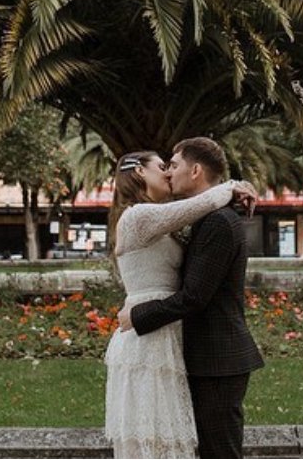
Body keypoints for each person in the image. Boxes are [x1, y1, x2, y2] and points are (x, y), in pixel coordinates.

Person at [105, 145, 257, 458]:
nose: (169, 173)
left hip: (162, 330)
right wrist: (232, 187)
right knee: (155, 437)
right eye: (162, 167)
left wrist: (231, 191)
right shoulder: (138, 217)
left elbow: (201, 208)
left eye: (171, 166)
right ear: (138, 173)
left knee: (172, 437)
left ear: (195, 170)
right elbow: (205, 201)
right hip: (147, 333)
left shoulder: (171, 221)